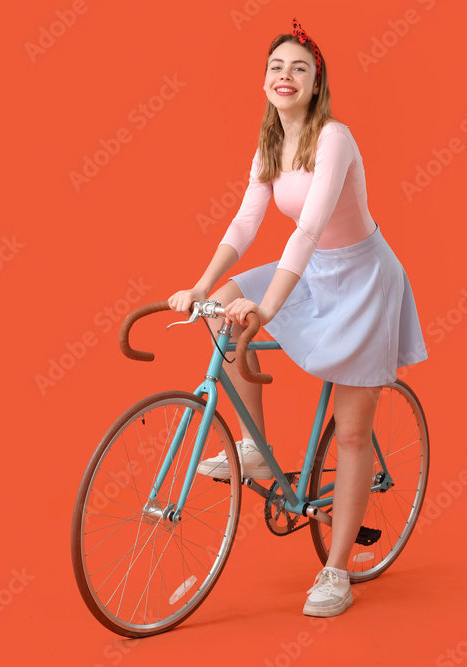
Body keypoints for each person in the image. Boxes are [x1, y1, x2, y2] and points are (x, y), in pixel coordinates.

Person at [167, 18, 428, 618]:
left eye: (299, 69)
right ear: (264, 82)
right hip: (309, 273)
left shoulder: (334, 138)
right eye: (276, 68)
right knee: (220, 310)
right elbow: (244, 225)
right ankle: (257, 448)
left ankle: (337, 571)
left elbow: (309, 229)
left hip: (361, 280)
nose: (286, 77)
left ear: (316, 84)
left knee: (354, 429)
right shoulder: (267, 146)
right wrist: (201, 285)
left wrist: (266, 306)